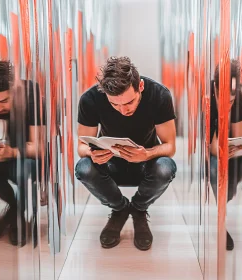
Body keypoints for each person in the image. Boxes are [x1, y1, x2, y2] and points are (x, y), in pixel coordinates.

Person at [75, 56, 177, 251]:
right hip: (110, 162)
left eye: (129, 102)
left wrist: (146, 155)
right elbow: (81, 147)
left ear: (140, 86)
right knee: (84, 168)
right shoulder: (90, 99)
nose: (123, 110)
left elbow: (170, 146)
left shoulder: (159, 95)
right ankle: (120, 209)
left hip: (146, 162)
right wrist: (92, 153)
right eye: (115, 105)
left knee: (166, 168)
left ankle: (138, 209)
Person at [0, 60, 43, 247]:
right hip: (7, 150)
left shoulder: (30, 94)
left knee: (25, 169)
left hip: (27, 155)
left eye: (4, 101)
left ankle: (15, 217)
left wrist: (11, 152)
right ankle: (15, 209)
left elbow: (39, 148)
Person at [209, 59, 242, 251]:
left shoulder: (238, 97)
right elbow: (212, 148)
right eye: (225, 95)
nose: (230, 99)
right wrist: (222, 113)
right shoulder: (206, 97)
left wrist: (241, 147)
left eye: (232, 95)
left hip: (229, 150)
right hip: (213, 152)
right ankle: (221, 221)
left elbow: (239, 136)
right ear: (215, 87)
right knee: (215, 169)